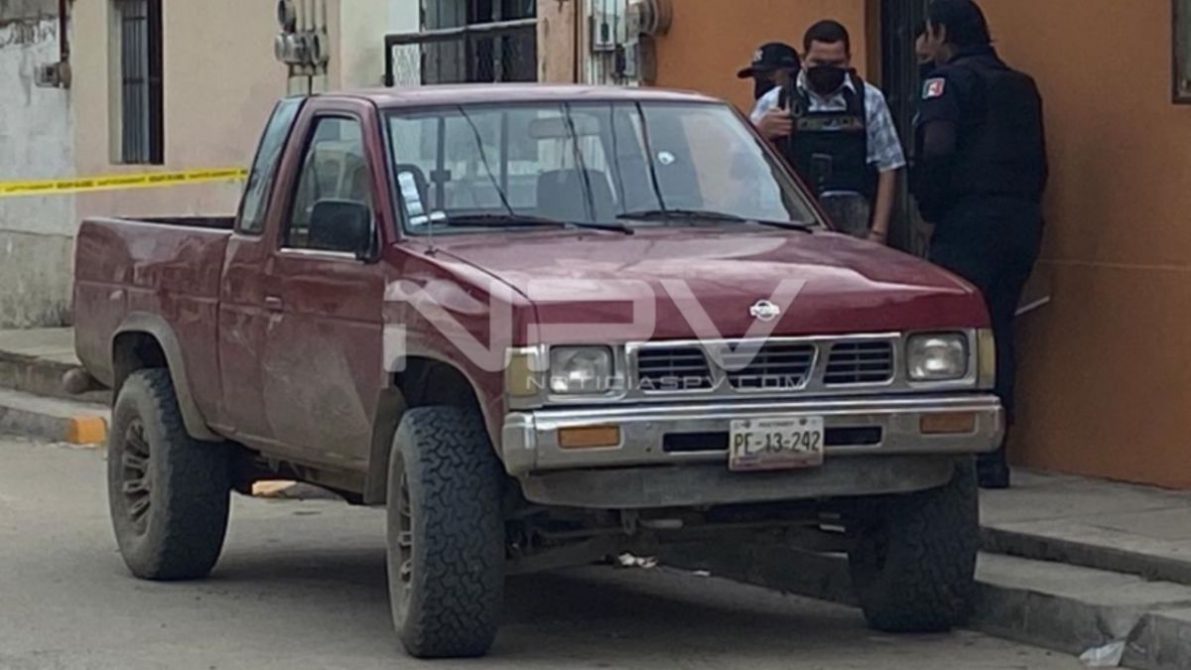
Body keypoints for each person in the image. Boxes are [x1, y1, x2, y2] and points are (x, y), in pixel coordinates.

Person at [912, 0, 1048, 489]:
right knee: (1000, 332)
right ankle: (995, 456)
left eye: (926, 32)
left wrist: (928, 209)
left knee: (955, 336)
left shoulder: (947, 83)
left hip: (968, 222)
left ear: (941, 32)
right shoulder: (1021, 86)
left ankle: (957, 453)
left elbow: (936, 150)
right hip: (1021, 221)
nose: (921, 44)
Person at [751, 20, 906, 243]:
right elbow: (742, 165)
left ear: (848, 60)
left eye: (835, 63)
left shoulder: (869, 100)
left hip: (855, 231)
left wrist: (877, 233)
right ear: (804, 59)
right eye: (818, 62)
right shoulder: (775, 101)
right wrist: (760, 133)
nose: (826, 69)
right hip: (793, 231)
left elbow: (889, 166)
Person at [739, 42, 802, 138]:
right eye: (757, 76)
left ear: (790, 73)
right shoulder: (764, 102)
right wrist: (761, 132)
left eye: (768, 74)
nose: (761, 80)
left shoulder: (804, 105)